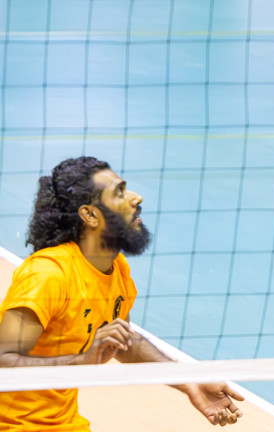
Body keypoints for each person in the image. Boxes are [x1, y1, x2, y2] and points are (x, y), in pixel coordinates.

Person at [0, 157, 244, 429]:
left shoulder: (116, 268)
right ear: (90, 215)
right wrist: (80, 361)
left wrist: (187, 379)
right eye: (119, 192)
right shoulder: (48, 275)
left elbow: (123, 343)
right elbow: (2, 360)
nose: (136, 198)